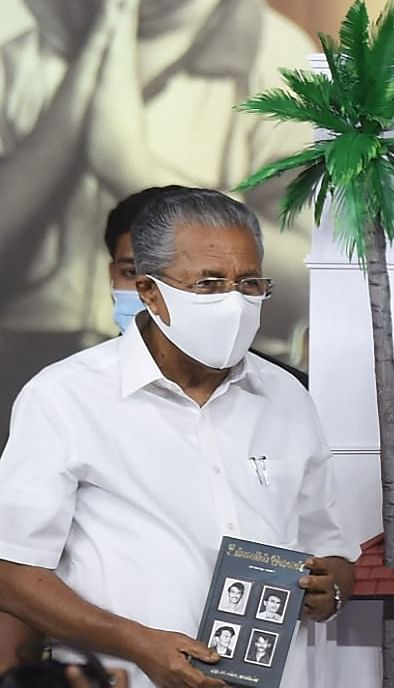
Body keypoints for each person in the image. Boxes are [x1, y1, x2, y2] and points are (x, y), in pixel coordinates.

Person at [0, 188, 360, 688]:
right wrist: (136, 642)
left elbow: (334, 553)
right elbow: (13, 574)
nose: (234, 302)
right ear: (149, 292)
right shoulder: (65, 397)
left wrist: (330, 591)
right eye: (209, 284)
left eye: (249, 282)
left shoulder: (287, 397)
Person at [0, 0, 315, 445]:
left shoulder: (282, 69)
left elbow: (316, 280)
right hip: (25, 373)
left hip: (205, 387)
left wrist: (134, 169)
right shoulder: (21, 57)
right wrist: (62, 129)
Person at [105, 187, 307, 384]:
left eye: (247, 281)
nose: (232, 302)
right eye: (131, 272)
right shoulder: (80, 390)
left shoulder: (289, 392)